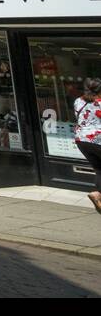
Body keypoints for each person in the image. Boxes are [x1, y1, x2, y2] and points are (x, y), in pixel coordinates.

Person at [74, 77, 101, 214]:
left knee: (99, 168)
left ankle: (98, 195)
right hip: (97, 140)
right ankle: (98, 194)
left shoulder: (78, 101)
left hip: (81, 140)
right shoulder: (99, 103)